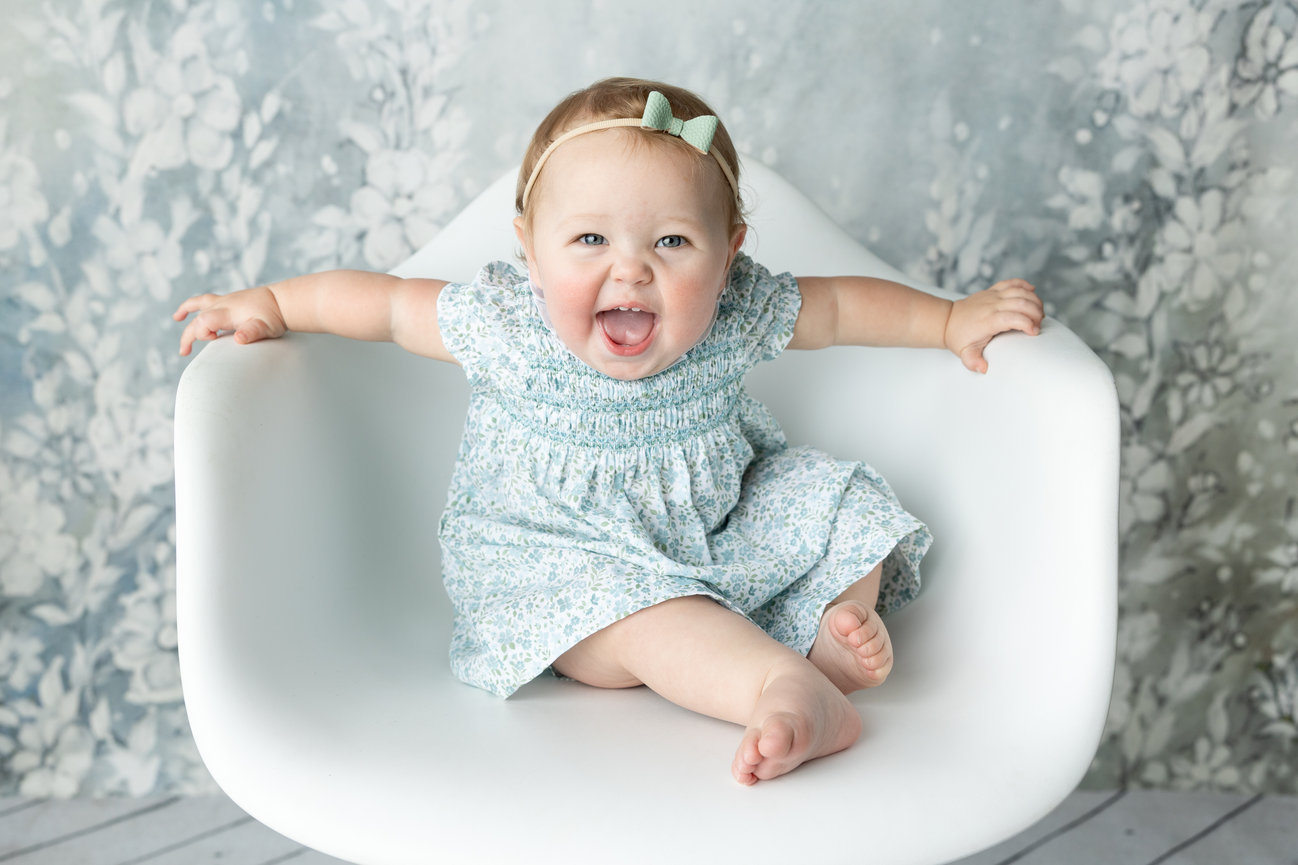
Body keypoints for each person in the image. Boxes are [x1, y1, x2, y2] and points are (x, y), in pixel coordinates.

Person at [174, 77, 1043, 785]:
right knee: (644, 618)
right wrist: (276, 303)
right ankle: (784, 688)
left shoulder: (736, 314)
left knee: (840, 496)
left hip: (715, 537)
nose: (630, 267)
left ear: (729, 252)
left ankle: (826, 635)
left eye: (671, 241)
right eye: (588, 238)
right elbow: (388, 306)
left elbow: (845, 303)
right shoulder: (507, 325)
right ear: (530, 249)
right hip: (564, 570)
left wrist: (948, 320)